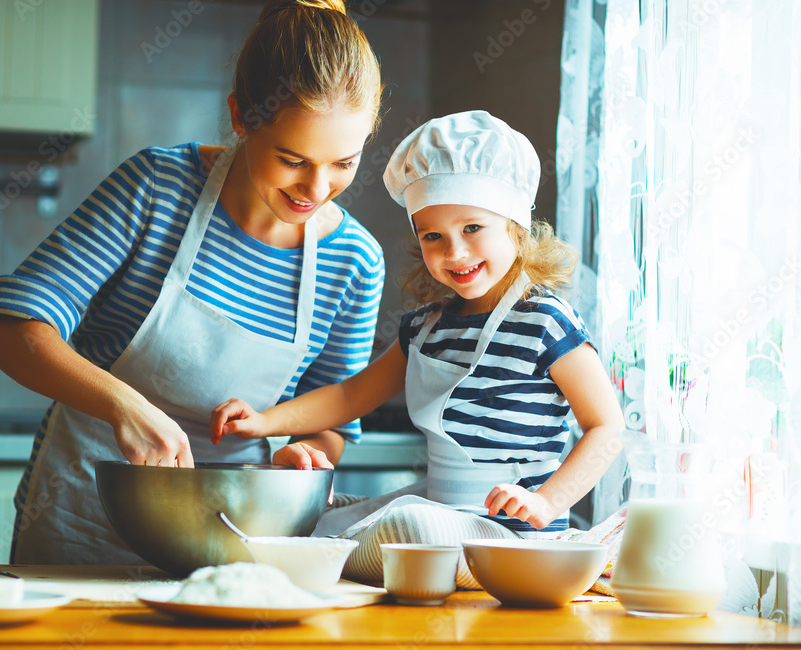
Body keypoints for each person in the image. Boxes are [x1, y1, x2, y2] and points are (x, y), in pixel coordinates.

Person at [0, 0, 385, 565]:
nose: (315, 188)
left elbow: (334, 415)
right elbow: (8, 327)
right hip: (82, 519)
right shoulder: (157, 189)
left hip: (236, 540)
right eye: (292, 159)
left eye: (344, 162)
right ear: (241, 116)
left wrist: (306, 454)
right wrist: (123, 405)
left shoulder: (356, 260)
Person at [210, 110, 625, 587]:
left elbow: (606, 427)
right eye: (433, 236)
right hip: (444, 514)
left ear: (516, 225)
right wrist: (265, 421)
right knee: (305, 504)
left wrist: (548, 501)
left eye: (472, 228)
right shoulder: (425, 328)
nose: (455, 253)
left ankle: (309, 557)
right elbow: (349, 398)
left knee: (410, 528)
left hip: (514, 540)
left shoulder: (546, 321)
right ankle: (311, 549)